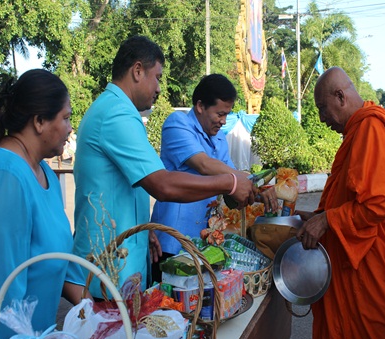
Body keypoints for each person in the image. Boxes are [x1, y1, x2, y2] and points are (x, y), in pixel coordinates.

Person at [72, 36, 256, 297]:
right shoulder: (117, 113)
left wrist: (143, 229)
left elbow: (121, 188)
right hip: (108, 271)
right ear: (137, 71)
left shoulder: (118, 111)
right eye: (157, 77)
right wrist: (231, 183)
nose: (159, 88)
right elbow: (162, 184)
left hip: (121, 263)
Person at [295, 67, 385, 339]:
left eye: (322, 108)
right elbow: (351, 199)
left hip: (373, 268)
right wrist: (317, 217)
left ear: (340, 96)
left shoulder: (373, 128)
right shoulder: (359, 130)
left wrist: (327, 221)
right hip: (354, 263)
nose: (321, 118)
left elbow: (377, 205)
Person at [0, 69, 86, 339]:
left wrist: (101, 312)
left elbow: (56, 257)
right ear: (39, 121)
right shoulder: (4, 175)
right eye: (65, 118)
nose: (69, 129)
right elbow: (0, 293)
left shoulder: (44, 172)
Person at [151, 74, 277, 278]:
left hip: (203, 243)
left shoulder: (218, 138)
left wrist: (260, 189)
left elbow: (233, 177)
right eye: (220, 114)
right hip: (172, 242)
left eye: (227, 114)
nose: (223, 121)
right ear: (200, 106)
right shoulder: (178, 123)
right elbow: (204, 165)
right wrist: (245, 181)